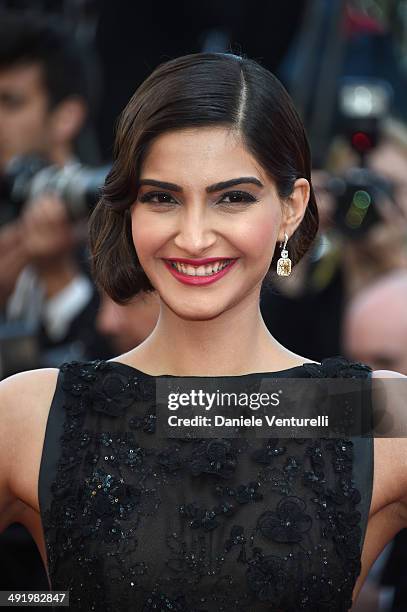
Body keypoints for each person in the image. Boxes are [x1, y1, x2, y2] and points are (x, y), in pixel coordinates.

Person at [0, 52, 406, 612]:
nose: (193, 237)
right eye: (162, 198)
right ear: (130, 209)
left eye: (232, 198)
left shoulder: (371, 409)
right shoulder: (32, 411)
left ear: (291, 208)